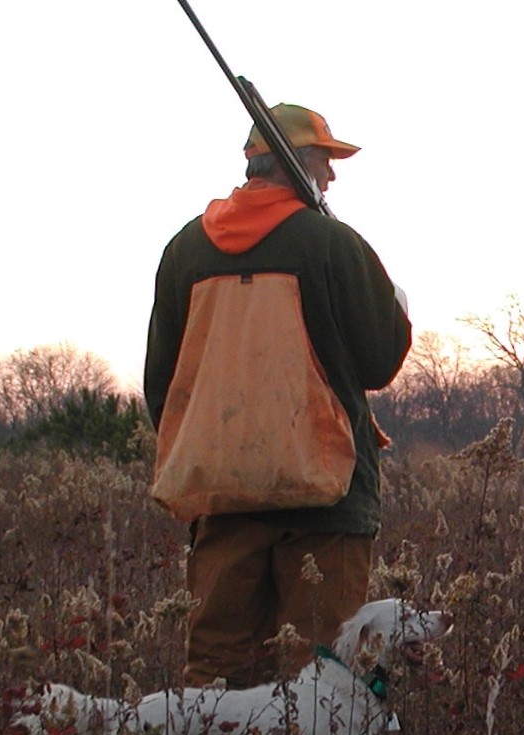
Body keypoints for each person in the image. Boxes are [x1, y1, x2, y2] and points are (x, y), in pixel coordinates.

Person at [145, 104, 411, 688]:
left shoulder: (184, 251)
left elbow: (162, 386)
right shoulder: (335, 244)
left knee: (216, 674)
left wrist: (216, 452)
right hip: (328, 497)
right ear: (298, 164)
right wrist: (396, 302)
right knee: (325, 673)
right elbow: (378, 361)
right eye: (326, 160)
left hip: (220, 494)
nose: (332, 177)